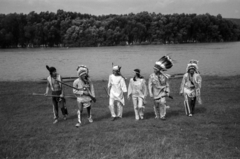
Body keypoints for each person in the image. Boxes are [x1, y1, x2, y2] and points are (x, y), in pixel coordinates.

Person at [148, 56, 173, 120]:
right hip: (155, 92)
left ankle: (162, 116)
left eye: (155, 69)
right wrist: (150, 93)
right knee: (156, 105)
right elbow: (149, 85)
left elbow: (167, 84)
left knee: (162, 103)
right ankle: (157, 115)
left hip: (162, 92)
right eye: (154, 69)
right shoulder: (151, 76)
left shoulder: (164, 76)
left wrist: (167, 91)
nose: (154, 70)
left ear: (159, 70)